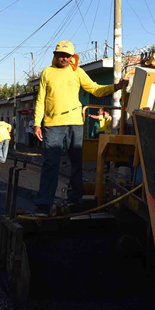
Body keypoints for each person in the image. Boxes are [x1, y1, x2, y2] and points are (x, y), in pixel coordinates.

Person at [32, 40, 127, 215]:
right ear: (56, 55)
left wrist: (117, 86)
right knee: (50, 164)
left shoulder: (78, 72)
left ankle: (74, 197)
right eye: (61, 55)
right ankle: (43, 204)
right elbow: (41, 100)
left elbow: (96, 90)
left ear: (72, 57)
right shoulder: (47, 73)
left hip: (75, 122)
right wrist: (37, 123)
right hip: (52, 124)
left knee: (77, 162)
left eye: (68, 56)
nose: (65, 58)